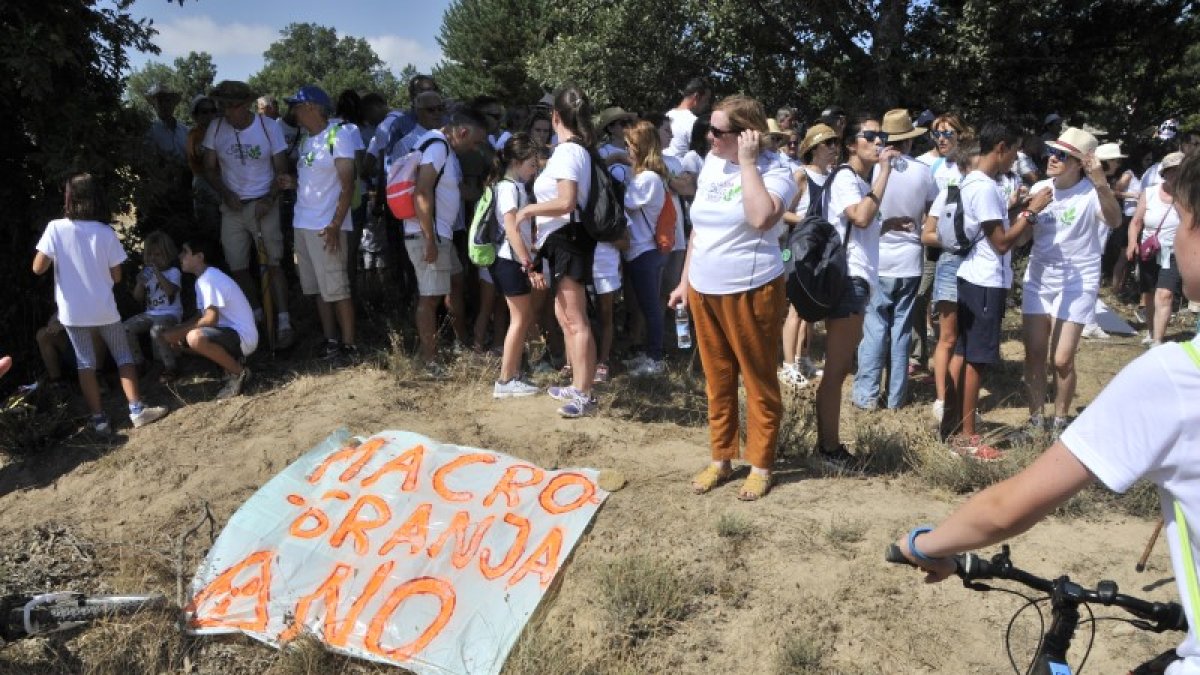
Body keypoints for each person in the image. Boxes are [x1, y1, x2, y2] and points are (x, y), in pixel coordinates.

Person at [893, 152, 1200, 675]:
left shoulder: (1177, 375)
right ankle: (1042, 418)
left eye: (1185, 222)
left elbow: (1007, 508)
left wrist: (924, 544)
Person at [667, 94, 796, 500]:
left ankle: (760, 464)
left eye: (718, 131)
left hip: (752, 287)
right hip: (706, 288)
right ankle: (721, 458)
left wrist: (746, 164)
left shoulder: (779, 170)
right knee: (717, 379)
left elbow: (761, 217)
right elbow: (699, 229)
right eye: (709, 127)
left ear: (747, 135)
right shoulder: (710, 163)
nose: (709, 137)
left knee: (758, 381)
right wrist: (685, 281)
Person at [942, 120, 1049, 457]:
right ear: (1000, 148)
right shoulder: (985, 186)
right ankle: (968, 438)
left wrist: (1016, 209)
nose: (1014, 160)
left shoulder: (973, 182)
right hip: (986, 280)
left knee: (964, 352)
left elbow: (992, 227)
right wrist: (1031, 213)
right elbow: (1001, 243)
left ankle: (953, 428)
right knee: (977, 359)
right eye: (1013, 152)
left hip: (974, 277)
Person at [32, 173, 169, 433]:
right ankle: (137, 409)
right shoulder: (105, 232)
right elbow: (117, 277)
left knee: (86, 364)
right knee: (123, 356)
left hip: (73, 312)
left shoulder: (55, 228)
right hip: (104, 307)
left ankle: (98, 419)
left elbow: (38, 268)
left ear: (69, 198)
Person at [1020, 128, 1121, 438]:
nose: (1053, 157)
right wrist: (1030, 211)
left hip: (1078, 280)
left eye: (1062, 155)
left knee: (1062, 358)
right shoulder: (1040, 187)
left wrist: (1102, 184)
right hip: (1039, 277)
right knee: (1035, 353)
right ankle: (1036, 421)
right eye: (1052, 151)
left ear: (1080, 163)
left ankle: (1061, 423)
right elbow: (1023, 237)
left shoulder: (1092, 193)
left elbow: (1116, 221)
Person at [814, 114, 900, 467]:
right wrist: (885, 174)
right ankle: (828, 450)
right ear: (851, 144)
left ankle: (828, 445)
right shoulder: (848, 178)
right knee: (836, 369)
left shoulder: (860, 182)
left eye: (881, 136)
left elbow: (863, 228)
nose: (879, 141)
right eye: (870, 136)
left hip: (858, 278)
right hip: (848, 279)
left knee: (841, 366)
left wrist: (888, 222)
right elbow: (860, 217)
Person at [515, 85, 601, 419]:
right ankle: (580, 385)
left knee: (575, 320)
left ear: (555, 117)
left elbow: (566, 201)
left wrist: (528, 211)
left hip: (569, 238)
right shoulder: (573, 151)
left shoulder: (568, 152)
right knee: (567, 317)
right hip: (564, 239)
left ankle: (584, 393)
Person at [853, 110, 936, 411]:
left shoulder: (872, 171)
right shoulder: (924, 172)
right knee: (901, 331)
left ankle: (866, 395)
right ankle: (896, 397)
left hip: (878, 258)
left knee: (874, 328)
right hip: (911, 260)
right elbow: (931, 213)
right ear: (909, 142)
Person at [202, 80, 293, 349]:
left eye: (230, 107)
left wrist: (269, 199)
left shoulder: (268, 127)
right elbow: (209, 167)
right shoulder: (216, 128)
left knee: (273, 264)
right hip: (233, 207)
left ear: (244, 105)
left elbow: (282, 167)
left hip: (263, 203)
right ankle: (255, 315)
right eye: (222, 106)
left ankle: (284, 321)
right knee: (237, 265)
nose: (225, 112)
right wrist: (224, 193)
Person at [408, 108, 489, 375]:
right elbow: (422, 190)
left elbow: (451, 190)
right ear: (462, 132)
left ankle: (459, 343)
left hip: (441, 234)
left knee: (454, 282)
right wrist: (429, 239)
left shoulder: (445, 149)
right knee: (430, 298)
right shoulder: (438, 147)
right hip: (430, 234)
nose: (475, 148)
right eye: (475, 142)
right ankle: (430, 362)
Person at [285, 86, 362, 360]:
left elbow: (348, 184)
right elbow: (315, 181)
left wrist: (335, 224)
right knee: (318, 288)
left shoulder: (338, 135)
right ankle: (331, 341)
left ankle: (349, 346)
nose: (292, 112)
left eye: (296, 106)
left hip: (325, 226)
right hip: (303, 223)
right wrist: (292, 183)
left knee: (337, 288)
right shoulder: (307, 140)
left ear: (312, 108)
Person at [920, 135, 978, 424]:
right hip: (951, 265)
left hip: (980, 269)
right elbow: (927, 234)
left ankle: (962, 399)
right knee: (948, 337)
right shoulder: (949, 194)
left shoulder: (989, 192)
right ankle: (943, 399)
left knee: (969, 338)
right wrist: (954, 241)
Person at [158, 238, 258, 400]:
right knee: (184, 340)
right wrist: (176, 332)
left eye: (185, 252)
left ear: (199, 257)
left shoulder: (209, 279)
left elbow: (211, 318)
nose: (180, 256)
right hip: (232, 335)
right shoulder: (204, 279)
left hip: (242, 337)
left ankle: (239, 373)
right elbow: (200, 316)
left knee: (194, 337)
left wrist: (180, 332)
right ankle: (230, 367)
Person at [779, 123, 839, 388]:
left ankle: (803, 358)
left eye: (836, 143)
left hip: (822, 248)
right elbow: (781, 211)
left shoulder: (835, 177)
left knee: (812, 309)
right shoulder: (801, 175)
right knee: (795, 309)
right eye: (829, 144)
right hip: (800, 247)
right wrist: (805, 221)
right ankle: (788, 365)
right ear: (814, 149)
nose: (834, 148)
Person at [489, 134, 544, 398]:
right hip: (510, 261)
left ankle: (512, 375)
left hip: (512, 260)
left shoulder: (515, 187)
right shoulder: (508, 188)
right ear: (516, 162)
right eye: (531, 165)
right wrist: (527, 263)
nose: (534, 170)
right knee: (520, 319)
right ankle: (506, 380)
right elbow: (511, 228)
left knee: (521, 319)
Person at [621, 119, 670, 376]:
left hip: (645, 251)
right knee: (643, 305)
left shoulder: (648, 178)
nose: (627, 150)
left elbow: (627, 203)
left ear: (639, 148)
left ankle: (655, 357)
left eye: (629, 145)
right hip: (642, 250)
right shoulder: (648, 176)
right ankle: (649, 353)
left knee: (650, 307)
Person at [1128, 152, 1186, 347]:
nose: (1176, 176)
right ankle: (1152, 332)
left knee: (1165, 293)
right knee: (1150, 293)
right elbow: (1136, 221)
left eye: (1181, 172)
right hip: (1149, 250)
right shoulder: (1150, 193)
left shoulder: (1189, 196)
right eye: (1172, 171)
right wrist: (1131, 243)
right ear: (1165, 173)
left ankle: (1158, 341)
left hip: (1173, 252)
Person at [123, 230, 183, 379]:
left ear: (168, 255)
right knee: (125, 328)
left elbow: (170, 291)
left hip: (170, 313)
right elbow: (137, 297)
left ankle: (170, 366)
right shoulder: (146, 274)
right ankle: (140, 363)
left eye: (158, 255)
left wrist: (157, 273)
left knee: (157, 330)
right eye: (150, 255)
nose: (153, 259)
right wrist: (140, 283)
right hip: (151, 313)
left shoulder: (173, 272)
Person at [187, 95, 221, 238]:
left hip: (219, 181)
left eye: (213, 111)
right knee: (209, 229)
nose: (210, 115)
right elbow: (201, 156)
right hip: (204, 182)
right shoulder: (195, 135)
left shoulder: (218, 131)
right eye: (204, 112)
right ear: (195, 116)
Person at [664, 77, 713, 158]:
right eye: (706, 100)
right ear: (696, 97)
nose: (707, 104)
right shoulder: (694, 122)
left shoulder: (666, 116)